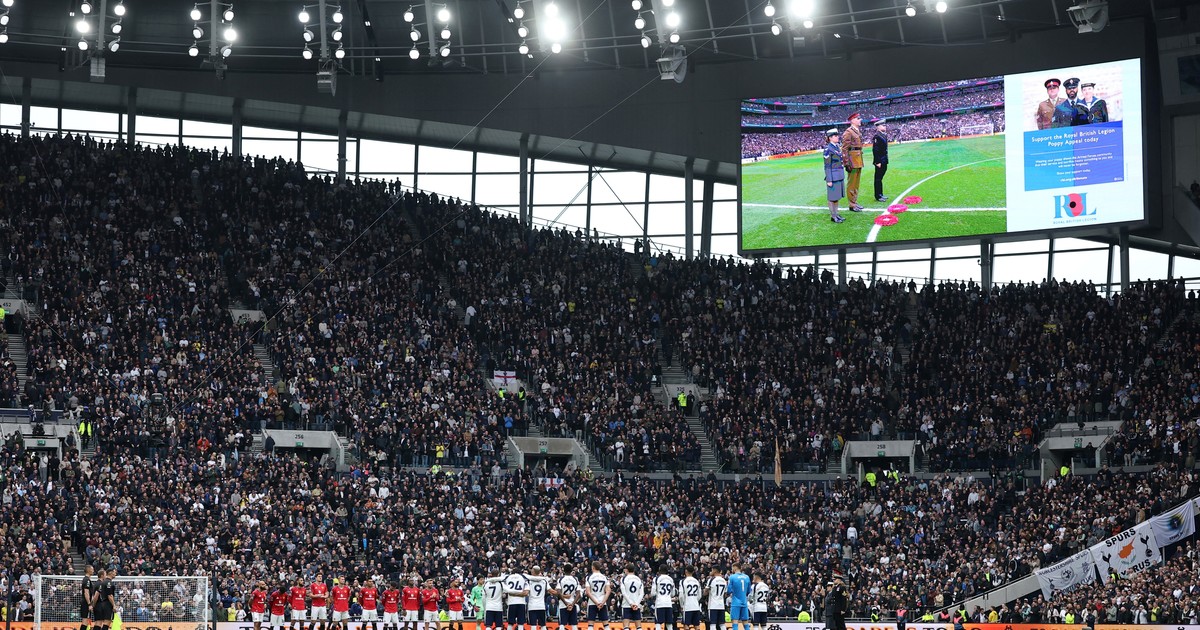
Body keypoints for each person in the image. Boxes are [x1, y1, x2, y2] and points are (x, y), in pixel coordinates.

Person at [841, 112, 866, 211]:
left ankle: (854, 202)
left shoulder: (857, 131)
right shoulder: (848, 132)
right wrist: (846, 163)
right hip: (852, 160)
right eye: (858, 118)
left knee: (856, 183)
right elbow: (844, 149)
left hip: (858, 159)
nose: (860, 120)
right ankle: (851, 204)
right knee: (852, 183)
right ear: (852, 120)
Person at [823, 129, 847, 224]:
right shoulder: (828, 149)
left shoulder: (836, 147)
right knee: (832, 198)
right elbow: (827, 165)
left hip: (839, 175)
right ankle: (833, 216)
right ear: (830, 138)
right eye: (835, 136)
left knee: (837, 197)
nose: (838, 137)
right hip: (833, 176)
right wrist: (829, 179)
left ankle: (836, 214)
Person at [552, 564, 581, 630]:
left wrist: (566, 604)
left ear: (563, 571)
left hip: (563, 604)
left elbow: (558, 592)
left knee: (562, 624)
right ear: (571, 570)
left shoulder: (561, 579)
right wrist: (572, 604)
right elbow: (578, 594)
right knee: (574, 624)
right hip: (572, 603)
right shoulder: (575, 579)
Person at [585, 562, 611, 630]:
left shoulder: (589, 577)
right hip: (602, 602)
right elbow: (608, 591)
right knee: (606, 625)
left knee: (590, 625)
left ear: (593, 567)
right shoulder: (605, 577)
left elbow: (588, 592)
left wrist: (596, 603)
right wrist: (602, 602)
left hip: (592, 602)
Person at [618, 565, 644, 630]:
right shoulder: (639, 579)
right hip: (636, 605)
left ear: (626, 570)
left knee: (626, 626)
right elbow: (642, 593)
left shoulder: (623, 579)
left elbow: (624, 593)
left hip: (626, 604)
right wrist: (636, 604)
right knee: (639, 627)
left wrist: (631, 603)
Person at [727, 565, 750, 630]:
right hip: (744, 602)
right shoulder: (747, 577)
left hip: (735, 602)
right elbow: (748, 591)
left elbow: (729, 591)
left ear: (735, 568)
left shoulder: (732, 577)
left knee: (735, 622)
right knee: (745, 622)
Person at [871, 119, 889, 202]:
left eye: (885, 125)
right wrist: (877, 162)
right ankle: (878, 196)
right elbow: (875, 150)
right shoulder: (877, 136)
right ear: (878, 127)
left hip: (884, 160)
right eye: (883, 125)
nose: (884, 126)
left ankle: (880, 194)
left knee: (880, 178)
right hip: (880, 161)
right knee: (878, 179)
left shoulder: (883, 135)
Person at [80, 564, 95, 630]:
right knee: (85, 621)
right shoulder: (87, 580)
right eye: (92, 569)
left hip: (86, 602)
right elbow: (86, 593)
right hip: (86, 603)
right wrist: (89, 604)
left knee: (86, 620)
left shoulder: (87, 579)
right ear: (88, 570)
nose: (93, 570)